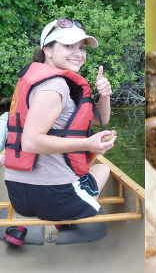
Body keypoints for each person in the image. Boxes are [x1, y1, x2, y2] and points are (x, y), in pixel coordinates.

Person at [2, 19, 117, 247]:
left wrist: (104, 94)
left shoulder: (39, 80)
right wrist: (87, 144)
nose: (78, 53)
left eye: (82, 47)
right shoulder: (55, 87)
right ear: (48, 50)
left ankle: (22, 221)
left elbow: (99, 119)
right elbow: (31, 142)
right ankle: (65, 221)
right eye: (68, 46)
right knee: (103, 168)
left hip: (18, 196)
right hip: (55, 197)